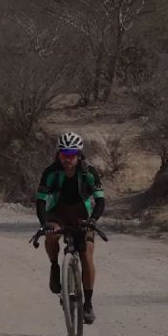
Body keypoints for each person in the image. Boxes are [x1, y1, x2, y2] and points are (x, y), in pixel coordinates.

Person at [35, 132, 106, 324]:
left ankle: (88, 304)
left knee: (87, 255)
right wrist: (45, 224)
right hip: (58, 211)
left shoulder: (89, 173)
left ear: (79, 155)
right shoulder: (50, 172)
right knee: (51, 235)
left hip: (83, 214)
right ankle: (54, 266)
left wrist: (93, 220)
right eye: (64, 155)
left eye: (71, 155)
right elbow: (40, 202)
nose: (67, 159)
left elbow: (100, 200)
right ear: (59, 155)